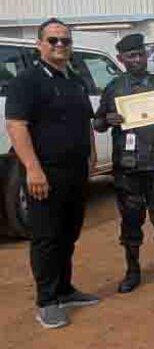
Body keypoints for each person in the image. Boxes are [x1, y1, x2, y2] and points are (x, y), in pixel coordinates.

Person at [5, 18, 99, 328]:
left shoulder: (75, 80)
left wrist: (91, 154)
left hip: (76, 171)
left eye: (65, 40)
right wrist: (33, 169)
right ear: (39, 44)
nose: (60, 45)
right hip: (45, 172)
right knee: (46, 237)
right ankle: (47, 302)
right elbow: (17, 126)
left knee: (69, 233)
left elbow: (85, 121)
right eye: (53, 40)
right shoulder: (27, 81)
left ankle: (65, 289)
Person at [93, 33, 154, 293]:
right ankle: (132, 271)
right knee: (131, 220)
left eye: (141, 54)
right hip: (128, 166)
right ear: (121, 59)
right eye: (131, 56)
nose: (137, 60)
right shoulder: (114, 88)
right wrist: (108, 119)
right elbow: (97, 123)